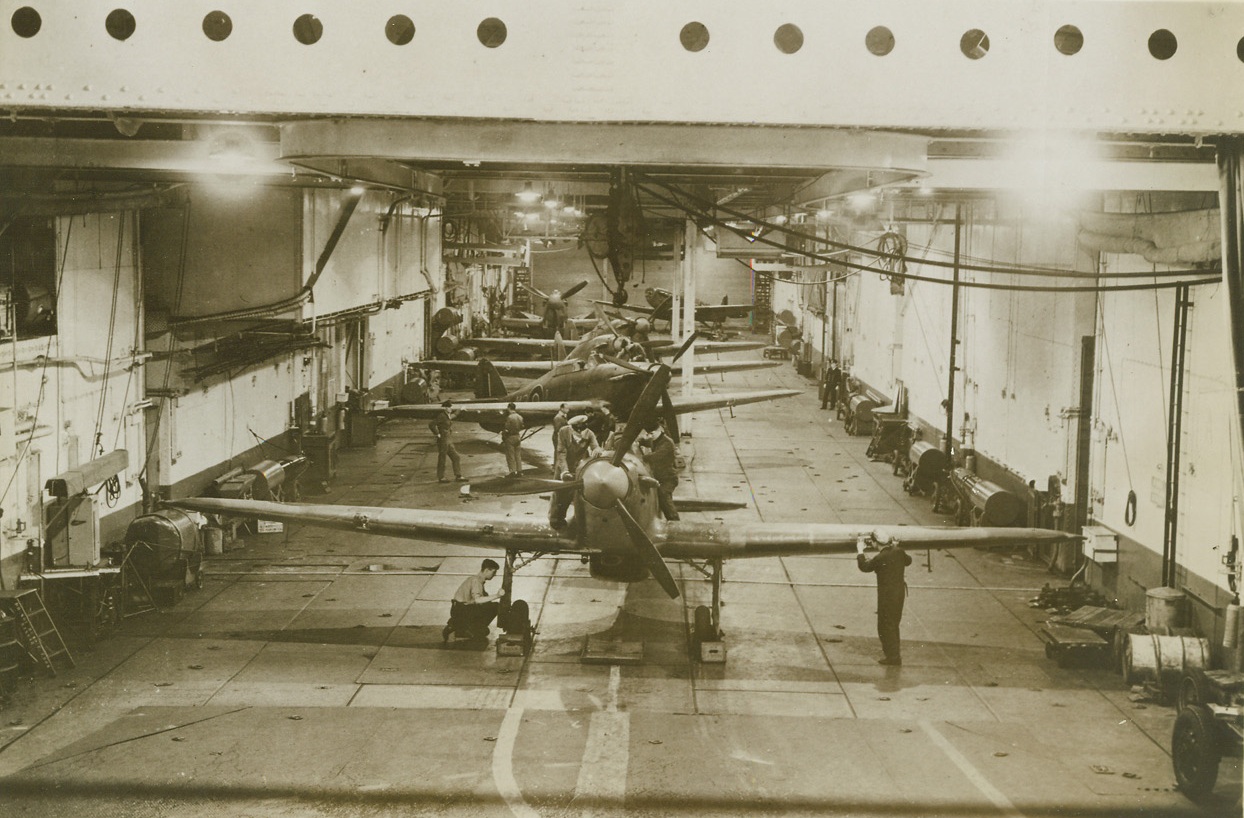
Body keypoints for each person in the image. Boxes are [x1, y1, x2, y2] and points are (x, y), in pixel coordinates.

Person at [856, 539, 913, 665]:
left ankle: (893, 657)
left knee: (884, 626)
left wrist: (860, 551)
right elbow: (908, 561)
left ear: (877, 542)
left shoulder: (880, 557)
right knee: (894, 624)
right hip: (899, 594)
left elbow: (864, 567)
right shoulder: (898, 552)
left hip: (887, 596)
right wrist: (896, 547)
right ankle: (895, 655)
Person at [548, 415, 601, 529]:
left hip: (577, 468)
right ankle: (555, 520)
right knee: (560, 495)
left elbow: (595, 446)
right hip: (563, 466)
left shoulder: (589, 433)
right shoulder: (563, 432)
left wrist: (597, 450)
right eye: (577, 436)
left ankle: (579, 521)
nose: (580, 438)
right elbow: (561, 453)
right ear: (573, 429)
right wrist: (564, 472)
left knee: (575, 494)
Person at [443, 558, 502, 642]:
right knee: (495, 607)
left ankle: (461, 626)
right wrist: (497, 595)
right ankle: (465, 627)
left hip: (459, 609)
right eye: (493, 572)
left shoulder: (475, 579)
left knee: (484, 630)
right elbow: (478, 600)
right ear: (486, 570)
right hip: (462, 611)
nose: (494, 575)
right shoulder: (476, 581)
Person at [640, 422, 680, 521]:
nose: (650, 436)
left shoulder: (667, 443)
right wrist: (639, 441)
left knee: (663, 495)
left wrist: (642, 458)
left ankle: (674, 521)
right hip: (660, 477)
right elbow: (646, 442)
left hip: (668, 479)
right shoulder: (656, 439)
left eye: (652, 433)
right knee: (664, 500)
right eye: (648, 434)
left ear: (659, 431)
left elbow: (656, 456)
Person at [429, 399, 466, 483]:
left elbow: (453, 416)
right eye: (449, 407)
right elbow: (431, 424)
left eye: (451, 407)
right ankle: (441, 477)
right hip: (443, 440)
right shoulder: (441, 416)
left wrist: (460, 409)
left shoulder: (447, 415)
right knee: (442, 458)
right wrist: (437, 434)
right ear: (445, 408)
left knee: (456, 457)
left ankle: (458, 476)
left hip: (448, 440)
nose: (451, 408)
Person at [501, 402, 524, 477]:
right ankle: (520, 471)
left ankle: (512, 472)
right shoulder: (520, 417)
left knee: (510, 456)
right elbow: (522, 426)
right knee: (518, 455)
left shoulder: (510, 417)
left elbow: (507, 429)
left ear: (509, 408)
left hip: (510, 437)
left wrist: (503, 434)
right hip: (517, 436)